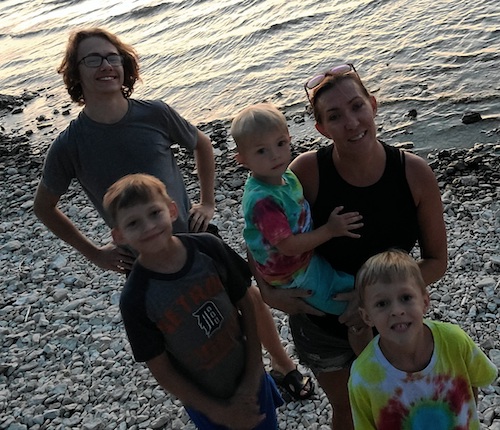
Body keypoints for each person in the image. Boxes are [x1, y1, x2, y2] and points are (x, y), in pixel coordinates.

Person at [32, 27, 311, 401]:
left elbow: (203, 144)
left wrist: (207, 201)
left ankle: (283, 367)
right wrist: (94, 253)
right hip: (144, 259)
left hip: (196, 241)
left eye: (112, 56)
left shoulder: (155, 114)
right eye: (92, 59)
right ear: (76, 73)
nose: (105, 65)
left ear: (124, 64)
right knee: (185, 328)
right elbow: (43, 207)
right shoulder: (70, 144)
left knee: (246, 298)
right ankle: (220, 395)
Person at [255, 63, 448, 429]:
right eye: (334, 116)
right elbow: (261, 232)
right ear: (321, 128)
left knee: (403, 408)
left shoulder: (414, 173)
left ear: (373, 105)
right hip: (321, 327)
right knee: (348, 413)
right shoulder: (306, 172)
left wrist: (370, 296)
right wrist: (268, 293)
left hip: (395, 322)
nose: (351, 122)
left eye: (357, 106)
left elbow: (437, 262)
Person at [102, 173, 284, 429]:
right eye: (134, 223)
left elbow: (248, 303)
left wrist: (254, 372)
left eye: (155, 213)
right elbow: (162, 370)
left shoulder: (209, 248)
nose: (149, 227)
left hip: (250, 376)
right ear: (119, 236)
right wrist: (218, 412)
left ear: (172, 210)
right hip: (207, 401)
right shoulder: (135, 299)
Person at [231, 103, 372, 356]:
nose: (275, 155)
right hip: (293, 273)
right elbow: (287, 245)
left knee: (358, 285)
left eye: (280, 144)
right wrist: (330, 230)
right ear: (241, 159)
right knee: (353, 311)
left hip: (305, 260)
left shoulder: (286, 176)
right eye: (261, 151)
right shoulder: (263, 200)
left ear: (289, 139)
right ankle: (369, 358)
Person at [349, 249, 497, 429]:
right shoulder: (363, 377)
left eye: (405, 298)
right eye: (382, 303)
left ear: (425, 302)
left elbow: (474, 382)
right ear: (366, 317)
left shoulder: (455, 341)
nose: (397, 310)